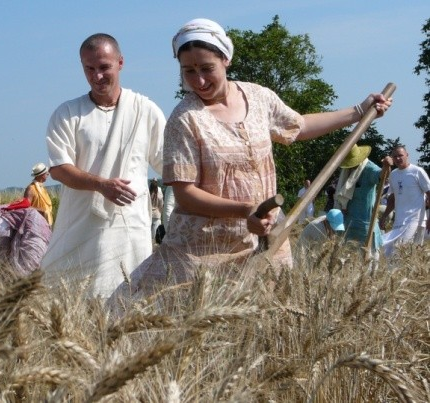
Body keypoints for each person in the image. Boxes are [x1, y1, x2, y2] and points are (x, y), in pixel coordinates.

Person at [110, 18, 392, 301]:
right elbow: (185, 195)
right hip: (203, 252)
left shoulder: (258, 98)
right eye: (189, 71)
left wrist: (358, 110)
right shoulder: (184, 120)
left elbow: (300, 126)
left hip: (266, 241)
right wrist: (246, 210)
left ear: (226, 59)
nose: (199, 81)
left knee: (263, 329)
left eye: (207, 68)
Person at [41, 33, 165, 298]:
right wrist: (101, 185)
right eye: (89, 68)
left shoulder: (145, 110)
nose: (97, 76)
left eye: (104, 67)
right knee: (70, 300)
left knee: (128, 299)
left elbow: (170, 164)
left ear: (120, 63)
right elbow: (59, 167)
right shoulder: (68, 114)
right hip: (81, 225)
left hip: (129, 227)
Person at [334, 144, 391, 256]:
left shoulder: (369, 168)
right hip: (349, 223)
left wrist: (387, 166)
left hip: (366, 226)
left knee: (369, 261)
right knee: (347, 261)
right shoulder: (346, 171)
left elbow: (382, 175)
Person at [380, 146, 430, 256]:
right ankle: (395, 273)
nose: (398, 158)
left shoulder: (417, 171)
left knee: (402, 251)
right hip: (399, 220)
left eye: (400, 155)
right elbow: (392, 199)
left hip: (415, 220)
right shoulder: (393, 174)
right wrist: (384, 216)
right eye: (395, 156)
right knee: (389, 253)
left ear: (407, 155)